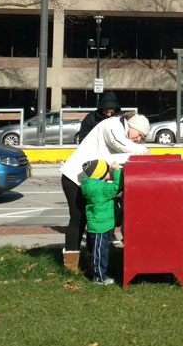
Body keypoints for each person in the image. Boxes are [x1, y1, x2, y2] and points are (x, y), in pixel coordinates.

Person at [59, 111, 151, 269]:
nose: (139, 140)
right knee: (78, 218)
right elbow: (119, 144)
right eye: (140, 135)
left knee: (91, 219)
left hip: (88, 181)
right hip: (74, 178)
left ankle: (90, 258)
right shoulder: (112, 125)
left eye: (142, 138)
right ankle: (71, 264)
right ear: (132, 126)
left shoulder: (121, 130)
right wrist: (145, 151)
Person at [80, 159, 121, 285]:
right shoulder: (101, 188)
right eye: (107, 170)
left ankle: (97, 272)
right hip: (100, 227)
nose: (110, 172)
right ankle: (99, 277)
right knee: (100, 252)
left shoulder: (91, 185)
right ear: (101, 174)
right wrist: (117, 171)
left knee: (96, 251)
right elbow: (116, 187)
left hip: (98, 225)